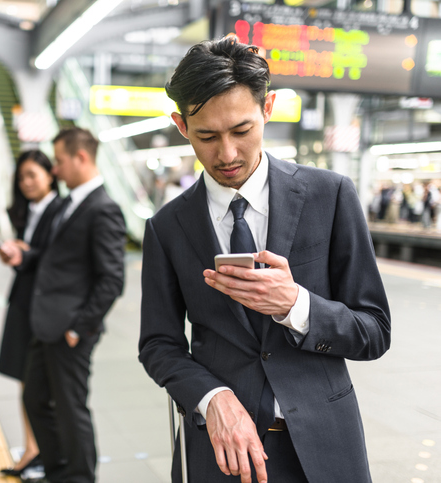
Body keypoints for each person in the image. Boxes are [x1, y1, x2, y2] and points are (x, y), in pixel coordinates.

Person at [138, 37, 391, 483]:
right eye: (207, 136)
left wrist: (297, 305)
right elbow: (158, 343)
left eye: (241, 130)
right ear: (181, 125)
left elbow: (373, 331)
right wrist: (211, 397)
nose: (227, 154)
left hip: (325, 446)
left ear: (268, 107)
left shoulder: (328, 196)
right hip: (221, 451)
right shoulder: (167, 226)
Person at [2, 127, 126, 483]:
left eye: (58, 161)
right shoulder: (71, 203)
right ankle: (58, 473)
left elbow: (112, 280)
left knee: (71, 410)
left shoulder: (103, 209)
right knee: (36, 401)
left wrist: (78, 327)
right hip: (47, 325)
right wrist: (23, 257)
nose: (54, 170)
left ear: (81, 158)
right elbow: (56, 258)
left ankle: (79, 477)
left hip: (69, 329)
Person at [0, 150, 63, 477]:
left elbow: (52, 258)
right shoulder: (30, 211)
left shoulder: (60, 209)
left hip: (43, 307)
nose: (26, 183)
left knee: (37, 383)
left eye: (33, 175)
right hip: (24, 301)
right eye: (22, 177)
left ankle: (39, 451)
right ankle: (32, 448)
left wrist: (24, 254)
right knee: (25, 378)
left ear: (51, 174)